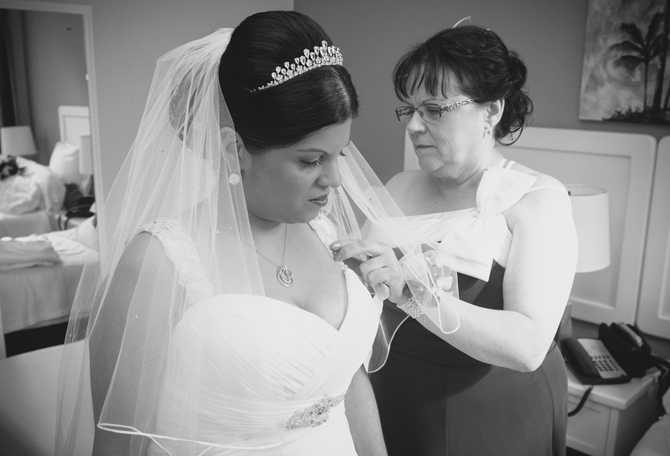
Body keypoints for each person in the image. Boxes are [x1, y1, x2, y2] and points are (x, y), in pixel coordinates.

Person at [54, 11, 415, 456]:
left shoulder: (324, 233)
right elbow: (119, 444)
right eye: (310, 161)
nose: (336, 180)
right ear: (234, 150)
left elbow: (346, 384)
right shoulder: (156, 263)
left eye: (340, 154)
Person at [365, 24, 579, 456]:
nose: (414, 125)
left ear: (492, 110)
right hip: (394, 394)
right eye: (408, 110)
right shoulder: (397, 185)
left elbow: (527, 346)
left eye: (434, 109)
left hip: (491, 412)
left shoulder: (537, 201)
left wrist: (411, 294)